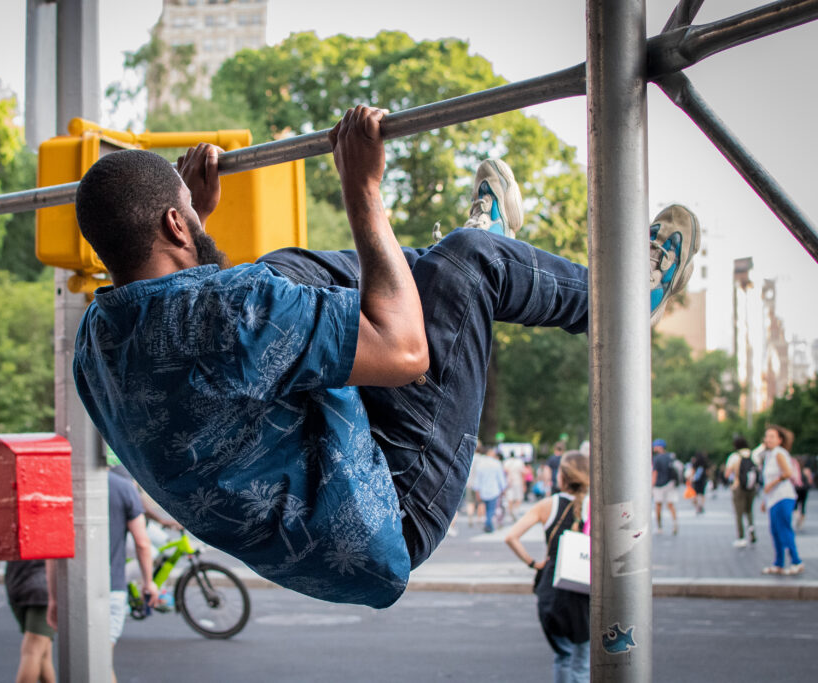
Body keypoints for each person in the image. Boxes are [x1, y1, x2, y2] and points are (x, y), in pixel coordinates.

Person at [71, 105, 698, 607]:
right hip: (386, 514)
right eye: (189, 221)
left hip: (310, 524)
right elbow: (404, 354)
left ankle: (430, 272)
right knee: (468, 267)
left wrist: (194, 215)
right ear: (176, 228)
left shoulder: (94, 344)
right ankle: (620, 299)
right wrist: (362, 190)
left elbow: (205, 337)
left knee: (282, 274)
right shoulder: (229, 312)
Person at [505, 451, 590, 683]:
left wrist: (534, 563)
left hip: (553, 588)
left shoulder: (548, 505)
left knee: (563, 656)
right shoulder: (596, 506)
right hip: (587, 589)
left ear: (561, 476)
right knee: (583, 661)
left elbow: (511, 537)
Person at [106, 469, 158, 682]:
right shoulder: (123, 487)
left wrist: (53, 597)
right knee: (101, 662)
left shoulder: (68, 481)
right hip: (111, 588)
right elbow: (142, 543)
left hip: (72, 590)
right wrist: (149, 582)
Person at [0, 558, 56, 683]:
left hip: (17, 583)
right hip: (45, 587)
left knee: (43, 653)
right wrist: (55, 597)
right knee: (33, 650)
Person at [758, 425, 804, 575]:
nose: (768, 439)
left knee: (784, 529)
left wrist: (772, 484)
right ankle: (778, 563)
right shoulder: (769, 455)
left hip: (783, 497)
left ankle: (796, 561)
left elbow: (787, 473)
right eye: (767, 436)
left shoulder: (779, 453)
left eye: (772, 436)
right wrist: (765, 500)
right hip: (773, 498)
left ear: (780, 439)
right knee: (775, 531)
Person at [724, 436, 759, 548]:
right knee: (749, 511)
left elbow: (727, 474)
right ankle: (752, 534)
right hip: (751, 487)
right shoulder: (754, 455)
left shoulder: (734, 456)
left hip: (738, 487)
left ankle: (741, 537)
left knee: (739, 513)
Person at [472, 448, 508, 532]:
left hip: (483, 490)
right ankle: (488, 524)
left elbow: (477, 479)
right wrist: (503, 489)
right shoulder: (496, 463)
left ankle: (488, 523)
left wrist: (477, 490)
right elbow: (501, 479)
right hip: (494, 490)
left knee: (486, 508)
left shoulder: (480, 464)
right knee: (491, 509)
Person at [651, 439, 679, 536]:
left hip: (659, 485)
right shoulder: (670, 457)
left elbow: (655, 473)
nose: (653, 448)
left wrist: (652, 486)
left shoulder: (657, 458)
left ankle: (659, 527)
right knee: (671, 505)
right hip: (670, 484)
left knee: (658, 505)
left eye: (655, 446)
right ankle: (675, 523)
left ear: (659, 447)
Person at [503, 452, 526, 523]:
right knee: (518, 498)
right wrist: (524, 484)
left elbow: (504, 472)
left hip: (508, 482)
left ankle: (511, 513)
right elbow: (522, 473)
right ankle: (515, 511)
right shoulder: (519, 462)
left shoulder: (506, 462)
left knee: (510, 498)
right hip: (518, 482)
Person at [793, 455, 813, 531]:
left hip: (796, 489)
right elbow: (810, 481)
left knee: (795, 505)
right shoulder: (807, 470)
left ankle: (797, 517)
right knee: (803, 505)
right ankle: (801, 521)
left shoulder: (794, 469)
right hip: (804, 490)